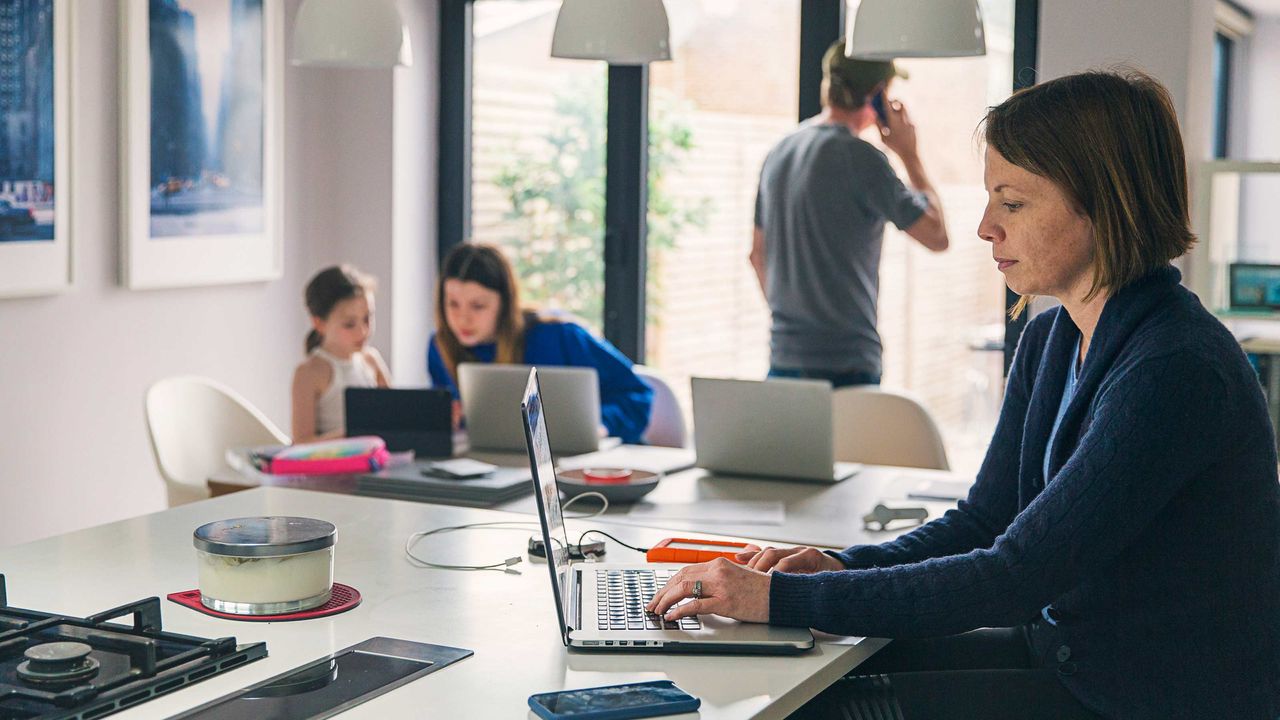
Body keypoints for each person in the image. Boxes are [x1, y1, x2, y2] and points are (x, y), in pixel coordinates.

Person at [650, 69, 1280, 719]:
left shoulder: (1174, 370)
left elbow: (1013, 577)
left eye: (1012, 202)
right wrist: (838, 567)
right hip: (1071, 662)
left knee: (818, 708)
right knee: (809, 683)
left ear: (1101, 203)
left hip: (1144, 701)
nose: (984, 227)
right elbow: (985, 521)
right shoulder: (1052, 339)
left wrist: (777, 599)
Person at [751, 38, 949, 388]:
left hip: (782, 360)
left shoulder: (779, 152)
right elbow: (936, 235)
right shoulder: (862, 159)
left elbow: (757, 256)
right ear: (877, 95)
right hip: (847, 367)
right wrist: (909, 154)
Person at [427, 243, 653, 444]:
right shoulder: (440, 347)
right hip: (499, 465)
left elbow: (638, 395)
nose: (463, 318)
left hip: (586, 465)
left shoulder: (559, 335)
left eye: (478, 306)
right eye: (453, 304)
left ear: (505, 304)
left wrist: (601, 425)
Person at [291, 265, 391, 443]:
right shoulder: (309, 373)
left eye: (368, 318)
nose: (363, 331)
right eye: (349, 324)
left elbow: (397, 415)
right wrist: (354, 435)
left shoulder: (372, 360)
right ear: (319, 324)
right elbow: (301, 442)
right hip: (332, 467)